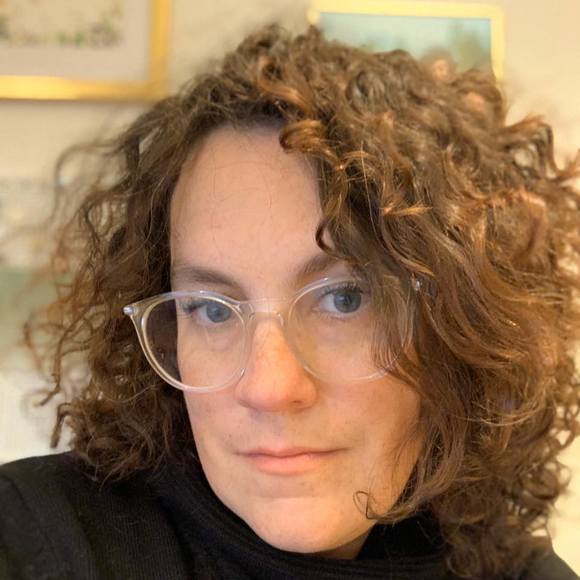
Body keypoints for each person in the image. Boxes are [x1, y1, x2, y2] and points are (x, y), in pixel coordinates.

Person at [0, 24, 579, 580]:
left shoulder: (515, 572)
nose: (270, 388)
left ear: (464, 326)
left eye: (345, 299)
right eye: (211, 309)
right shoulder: (38, 540)